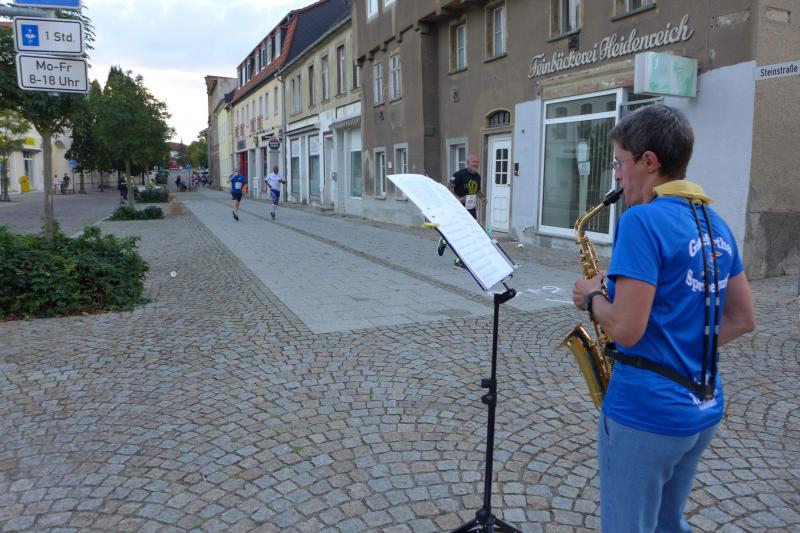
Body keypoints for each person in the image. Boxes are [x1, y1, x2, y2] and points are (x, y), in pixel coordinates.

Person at [570, 105, 756, 532]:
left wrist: (591, 297)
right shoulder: (715, 223)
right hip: (702, 407)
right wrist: (681, 343)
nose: (618, 176)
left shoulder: (642, 220)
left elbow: (626, 328)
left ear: (649, 161)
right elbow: (743, 318)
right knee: (667, 523)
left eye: (620, 163)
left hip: (647, 410)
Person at [437, 154, 487, 267]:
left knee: (469, 234)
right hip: (458, 207)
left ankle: (459, 260)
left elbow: (477, 190)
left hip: (471, 207)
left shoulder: (477, 177)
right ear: (468, 162)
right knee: (458, 232)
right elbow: (448, 188)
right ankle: (444, 240)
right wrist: (458, 199)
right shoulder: (459, 174)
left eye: (477, 162)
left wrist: (483, 197)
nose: (476, 164)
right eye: (474, 161)